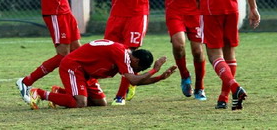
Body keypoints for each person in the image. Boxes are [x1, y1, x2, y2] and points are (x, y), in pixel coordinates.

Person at [26, 39, 177, 109]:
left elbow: (134, 80)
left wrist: (160, 78)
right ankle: (39, 93)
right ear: (136, 60)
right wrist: (155, 70)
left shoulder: (126, 57)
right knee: (80, 103)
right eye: (139, 68)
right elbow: (134, 80)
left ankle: (60, 93)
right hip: (73, 66)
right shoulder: (123, 55)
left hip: (87, 73)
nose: (137, 71)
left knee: (100, 103)